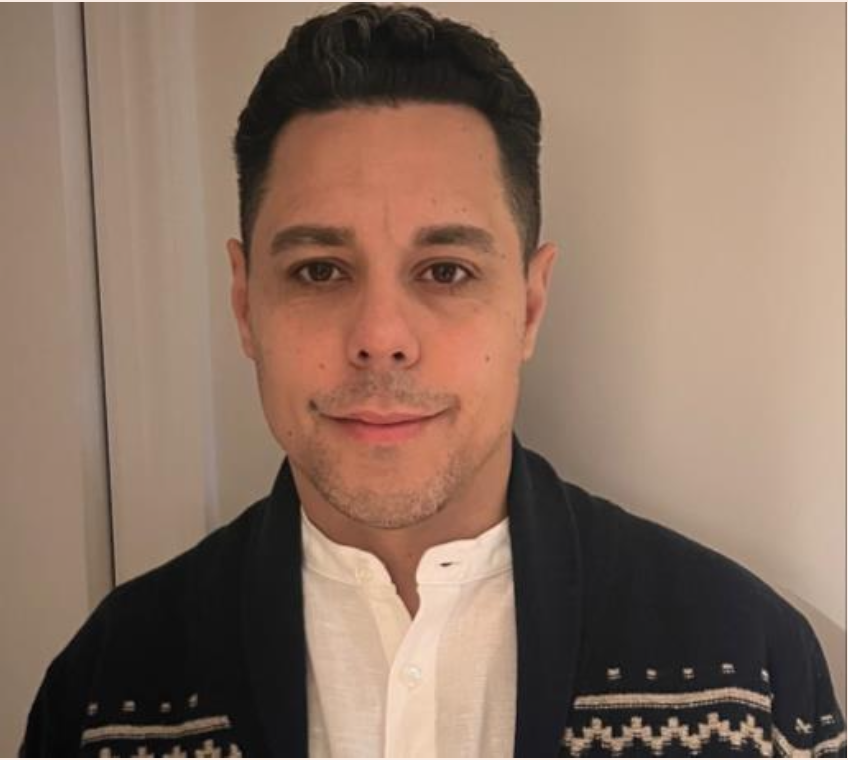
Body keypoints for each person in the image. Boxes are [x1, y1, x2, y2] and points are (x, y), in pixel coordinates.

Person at [20, 3, 845, 757]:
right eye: (318, 272)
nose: (381, 339)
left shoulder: (750, 675)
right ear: (245, 305)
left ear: (528, 305)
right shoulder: (106, 697)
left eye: (445, 271)